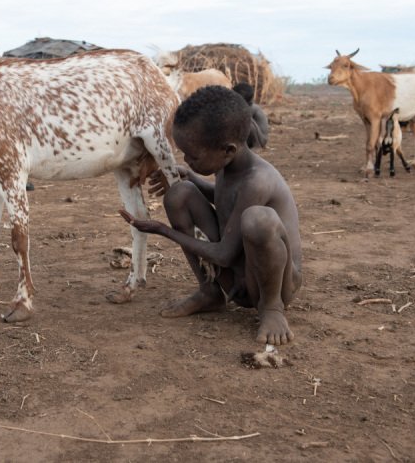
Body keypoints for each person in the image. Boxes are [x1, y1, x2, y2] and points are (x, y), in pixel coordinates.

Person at [120, 86, 302, 345]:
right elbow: (226, 198)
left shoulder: (257, 180)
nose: (186, 158)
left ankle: (272, 309)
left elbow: (224, 254)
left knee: (258, 220)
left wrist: (161, 229)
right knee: (180, 194)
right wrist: (190, 175)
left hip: (276, 283)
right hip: (241, 274)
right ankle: (211, 292)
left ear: (227, 150)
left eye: (192, 156)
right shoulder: (228, 165)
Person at [232, 82, 269, 149]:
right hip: (252, 138)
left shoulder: (252, 108)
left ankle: (256, 146)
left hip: (260, 139)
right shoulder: (244, 106)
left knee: (248, 122)